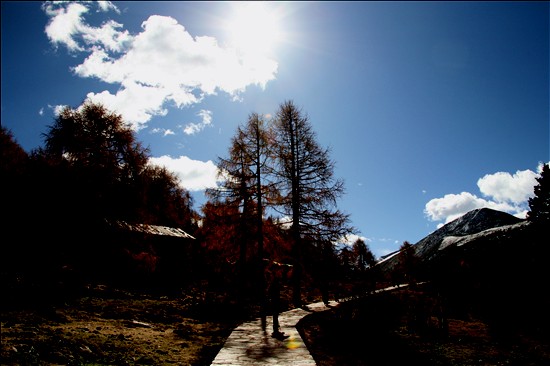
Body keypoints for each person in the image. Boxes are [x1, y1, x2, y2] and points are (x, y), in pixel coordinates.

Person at [265, 260, 293, 340]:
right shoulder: (273, 278)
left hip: (274, 296)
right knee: (275, 313)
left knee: (276, 313)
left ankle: (276, 330)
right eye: (279, 270)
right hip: (274, 297)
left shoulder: (273, 277)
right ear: (275, 270)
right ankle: (276, 331)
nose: (280, 271)